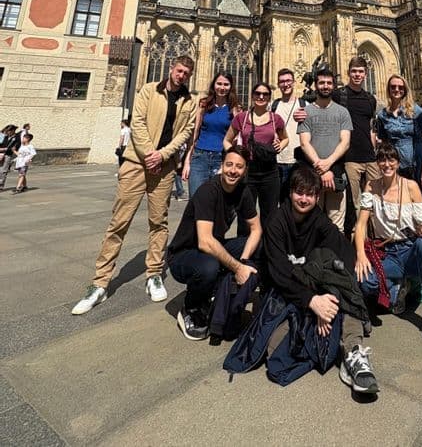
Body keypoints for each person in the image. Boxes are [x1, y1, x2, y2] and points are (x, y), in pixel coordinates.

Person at [71, 56, 197, 315]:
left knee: (159, 222)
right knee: (119, 222)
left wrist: (162, 156)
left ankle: (153, 274)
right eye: (179, 70)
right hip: (136, 163)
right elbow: (137, 122)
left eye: (187, 73)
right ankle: (100, 282)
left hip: (163, 166)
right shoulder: (149, 90)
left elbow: (186, 132)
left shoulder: (190, 101)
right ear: (171, 68)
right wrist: (150, 152)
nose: (182, 75)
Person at [262, 164, 379, 394]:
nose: (304, 199)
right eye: (299, 192)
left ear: (317, 197)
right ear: (290, 192)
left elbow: (342, 251)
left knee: (343, 286)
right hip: (284, 292)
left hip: (314, 287)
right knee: (274, 350)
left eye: (310, 194)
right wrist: (313, 301)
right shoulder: (276, 222)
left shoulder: (318, 219)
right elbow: (280, 275)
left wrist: (345, 287)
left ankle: (354, 353)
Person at [354, 143, 422, 344]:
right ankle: (400, 287)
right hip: (388, 252)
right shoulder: (371, 186)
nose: (386, 164)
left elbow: (421, 223)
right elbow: (361, 224)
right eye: (382, 159)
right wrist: (361, 256)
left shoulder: (411, 186)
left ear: (398, 163)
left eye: (391, 160)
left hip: (410, 249)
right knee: (365, 282)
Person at [167, 148, 262, 341]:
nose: (233, 170)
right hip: (183, 255)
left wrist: (243, 260)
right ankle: (191, 307)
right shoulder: (208, 191)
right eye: (229, 165)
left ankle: (218, 292)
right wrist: (237, 268)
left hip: (211, 249)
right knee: (209, 267)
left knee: (258, 246)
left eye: (239, 166)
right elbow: (205, 241)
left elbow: (256, 229)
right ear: (222, 166)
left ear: (244, 171)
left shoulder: (243, 192)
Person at [223, 82, 288, 230]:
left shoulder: (275, 119)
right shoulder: (242, 118)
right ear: (252, 96)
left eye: (265, 94)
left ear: (269, 97)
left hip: (270, 171)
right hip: (248, 172)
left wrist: (280, 146)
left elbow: (285, 138)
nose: (261, 96)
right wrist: (234, 156)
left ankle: (267, 249)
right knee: (245, 215)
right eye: (258, 93)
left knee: (270, 215)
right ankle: (244, 248)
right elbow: (226, 140)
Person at [297, 68, 352, 231]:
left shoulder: (342, 112)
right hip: (313, 175)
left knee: (337, 226)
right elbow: (304, 143)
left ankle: (336, 256)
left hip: (335, 172)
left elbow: (345, 142)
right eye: (322, 83)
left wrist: (328, 164)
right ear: (315, 85)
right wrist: (321, 168)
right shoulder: (306, 112)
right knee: (311, 222)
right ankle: (312, 256)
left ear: (334, 86)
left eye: (329, 83)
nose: (325, 86)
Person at [334, 56, 379, 231]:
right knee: (354, 202)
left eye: (360, 71)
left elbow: (371, 126)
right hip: (350, 158)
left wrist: (374, 147)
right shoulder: (339, 95)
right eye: (354, 71)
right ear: (348, 73)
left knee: (375, 200)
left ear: (365, 74)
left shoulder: (370, 99)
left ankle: (374, 238)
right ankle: (355, 239)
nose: (357, 75)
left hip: (370, 157)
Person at [183, 72, 241, 198]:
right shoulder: (204, 104)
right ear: (213, 85)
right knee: (196, 199)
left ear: (231, 87)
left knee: (217, 201)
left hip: (221, 158)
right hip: (200, 157)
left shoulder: (234, 108)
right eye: (219, 83)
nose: (222, 87)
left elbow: (236, 138)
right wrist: (187, 162)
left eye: (226, 84)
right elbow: (195, 133)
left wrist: (229, 162)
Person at [375, 74, 422, 180]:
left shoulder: (416, 112)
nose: (397, 89)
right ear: (388, 89)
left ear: (405, 90)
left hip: (415, 164)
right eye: (393, 87)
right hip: (393, 164)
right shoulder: (382, 115)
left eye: (400, 87)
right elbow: (384, 141)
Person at [271, 68, 307, 199]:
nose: (285, 84)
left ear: (294, 82)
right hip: (277, 161)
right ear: (278, 84)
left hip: (298, 161)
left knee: (297, 201)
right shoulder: (273, 106)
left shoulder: (304, 105)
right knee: (278, 201)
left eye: (288, 81)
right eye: (282, 82)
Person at [0, 125, 18, 191]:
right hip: (1, 154)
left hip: (7, 155)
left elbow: (14, 148)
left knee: (3, 171)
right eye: (7, 131)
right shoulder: (5, 137)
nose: (7, 132)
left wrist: (6, 149)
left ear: (13, 130)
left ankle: (1, 186)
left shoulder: (16, 138)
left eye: (9, 131)